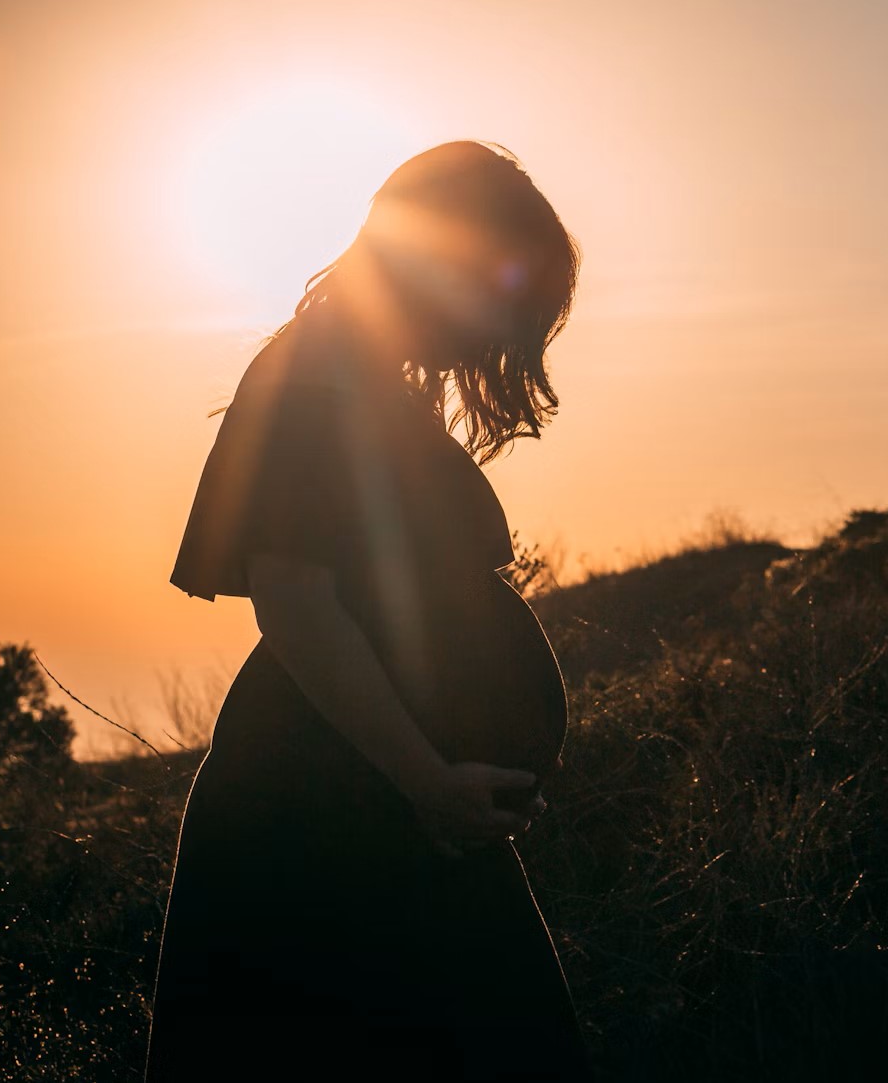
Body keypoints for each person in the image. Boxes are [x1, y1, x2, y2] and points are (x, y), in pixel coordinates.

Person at [147, 141, 593, 1081]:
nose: (499, 326)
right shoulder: (317, 378)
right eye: (499, 291)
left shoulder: (361, 378)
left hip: (388, 802)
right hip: (327, 809)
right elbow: (299, 606)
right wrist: (426, 780)